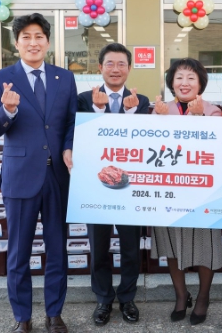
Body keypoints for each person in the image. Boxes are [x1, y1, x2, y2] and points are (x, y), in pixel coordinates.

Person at [0, 13, 77, 333]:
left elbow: (71, 121)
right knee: (18, 252)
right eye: (26, 37)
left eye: (39, 36)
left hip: (57, 177)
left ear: (48, 42)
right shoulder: (0, 78)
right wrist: (8, 110)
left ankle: (54, 313)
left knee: (57, 250)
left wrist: (69, 147)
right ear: (16, 43)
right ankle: (22, 317)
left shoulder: (64, 77)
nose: (33, 42)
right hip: (21, 175)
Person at [77, 43, 150, 327]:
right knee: (99, 247)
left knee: (131, 248)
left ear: (129, 68)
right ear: (100, 67)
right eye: (110, 63)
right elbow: (83, 136)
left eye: (121, 64)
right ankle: (103, 299)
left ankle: (128, 298)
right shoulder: (84, 99)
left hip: (130, 188)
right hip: (96, 185)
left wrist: (130, 116)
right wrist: (98, 110)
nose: (116, 69)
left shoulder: (140, 100)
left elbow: (143, 142)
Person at [150, 58, 222, 326]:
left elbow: (218, 148)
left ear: (201, 83)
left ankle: (203, 297)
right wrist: (156, 120)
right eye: (179, 77)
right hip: (168, 193)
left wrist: (200, 116)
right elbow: (147, 149)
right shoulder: (161, 110)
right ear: (171, 83)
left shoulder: (213, 111)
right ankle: (181, 296)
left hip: (203, 194)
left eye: (191, 78)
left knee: (205, 247)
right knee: (172, 246)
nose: (185, 83)